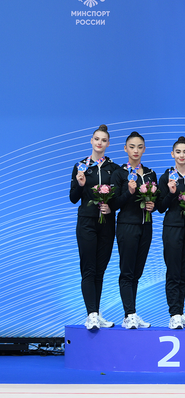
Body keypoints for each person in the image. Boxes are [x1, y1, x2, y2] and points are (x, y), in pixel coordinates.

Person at [70, 124, 120, 330]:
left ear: (108, 144)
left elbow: (119, 198)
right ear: (91, 141)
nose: (99, 143)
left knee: (100, 269)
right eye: (96, 139)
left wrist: (112, 207)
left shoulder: (114, 169)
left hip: (107, 224)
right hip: (87, 223)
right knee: (88, 269)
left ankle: (96, 313)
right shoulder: (80, 167)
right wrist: (80, 184)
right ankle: (90, 314)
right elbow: (73, 199)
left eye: (104, 140)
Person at [110, 131, 156, 329]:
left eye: (139, 147)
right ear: (125, 149)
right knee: (127, 271)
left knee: (137, 272)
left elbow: (156, 200)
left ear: (144, 149)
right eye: (132, 147)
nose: (135, 150)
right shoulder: (119, 173)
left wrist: (152, 204)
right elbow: (113, 203)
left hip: (146, 226)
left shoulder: (150, 174)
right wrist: (129, 192)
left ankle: (132, 313)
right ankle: (129, 314)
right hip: (127, 225)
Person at [157, 137, 185, 329]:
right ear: (172, 154)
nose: (181, 155)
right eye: (178, 152)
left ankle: (181, 312)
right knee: (174, 273)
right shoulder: (166, 176)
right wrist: (171, 192)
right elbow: (160, 207)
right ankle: (174, 314)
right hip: (172, 229)